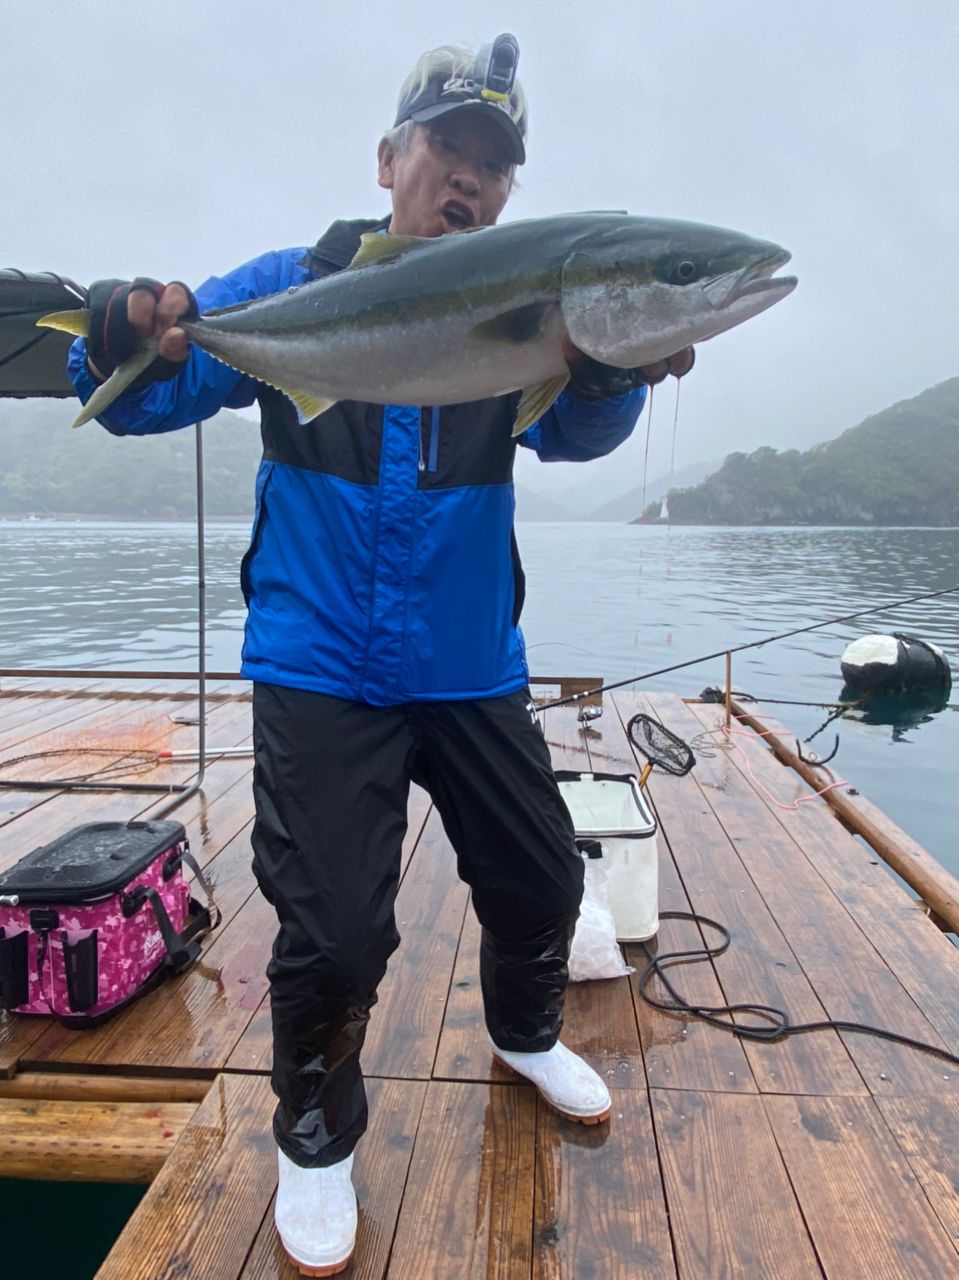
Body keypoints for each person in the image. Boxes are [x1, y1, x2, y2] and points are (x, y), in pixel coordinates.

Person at [68, 37, 693, 1277]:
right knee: (336, 934)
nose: (466, 181)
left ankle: (521, 1032)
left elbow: (572, 431)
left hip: (466, 657)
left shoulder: (522, 301)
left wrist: (615, 364)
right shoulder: (294, 281)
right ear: (388, 159)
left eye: (490, 168)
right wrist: (112, 332)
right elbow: (149, 391)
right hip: (317, 661)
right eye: (446, 151)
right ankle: (312, 1132)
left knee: (538, 883)